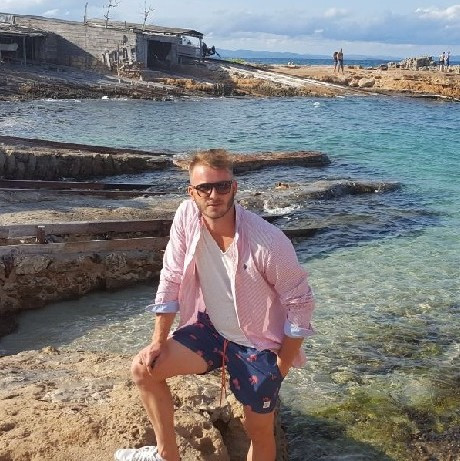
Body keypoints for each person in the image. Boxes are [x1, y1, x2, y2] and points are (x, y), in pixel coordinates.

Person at [115, 149, 315, 461]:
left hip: (256, 343)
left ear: (234, 188)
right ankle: (166, 455)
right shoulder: (186, 216)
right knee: (144, 369)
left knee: (257, 430)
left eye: (222, 186)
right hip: (211, 328)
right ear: (191, 192)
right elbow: (171, 275)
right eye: (204, 188)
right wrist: (158, 340)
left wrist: (281, 368)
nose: (214, 195)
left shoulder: (268, 242)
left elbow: (300, 304)